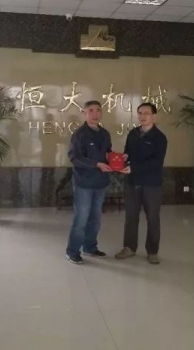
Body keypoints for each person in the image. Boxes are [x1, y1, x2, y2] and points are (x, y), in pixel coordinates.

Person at [115, 103, 167, 264]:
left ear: (154, 117)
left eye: (146, 113)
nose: (142, 116)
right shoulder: (133, 133)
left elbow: (156, 162)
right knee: (131, 216)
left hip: (151, 184)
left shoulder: (160, 137)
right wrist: (124, 158)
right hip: (132, 182)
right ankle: (129, 247)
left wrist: (134, 167)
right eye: (140, 113)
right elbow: (128, 152)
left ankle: (152, 251)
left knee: (152, 218)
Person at [65, 100, 113, 264]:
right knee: (81, 218)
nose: (95, 114)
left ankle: (90, 247)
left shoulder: (105, 134)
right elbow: (74, 157)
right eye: (91, 110)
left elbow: (108, 154)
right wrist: (96, 164)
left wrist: (117, 161)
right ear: (84, 113)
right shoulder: (80, 134)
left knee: (95, 218)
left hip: (100, 182)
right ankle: (72, 251)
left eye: (98, 110)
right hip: (84, 183)